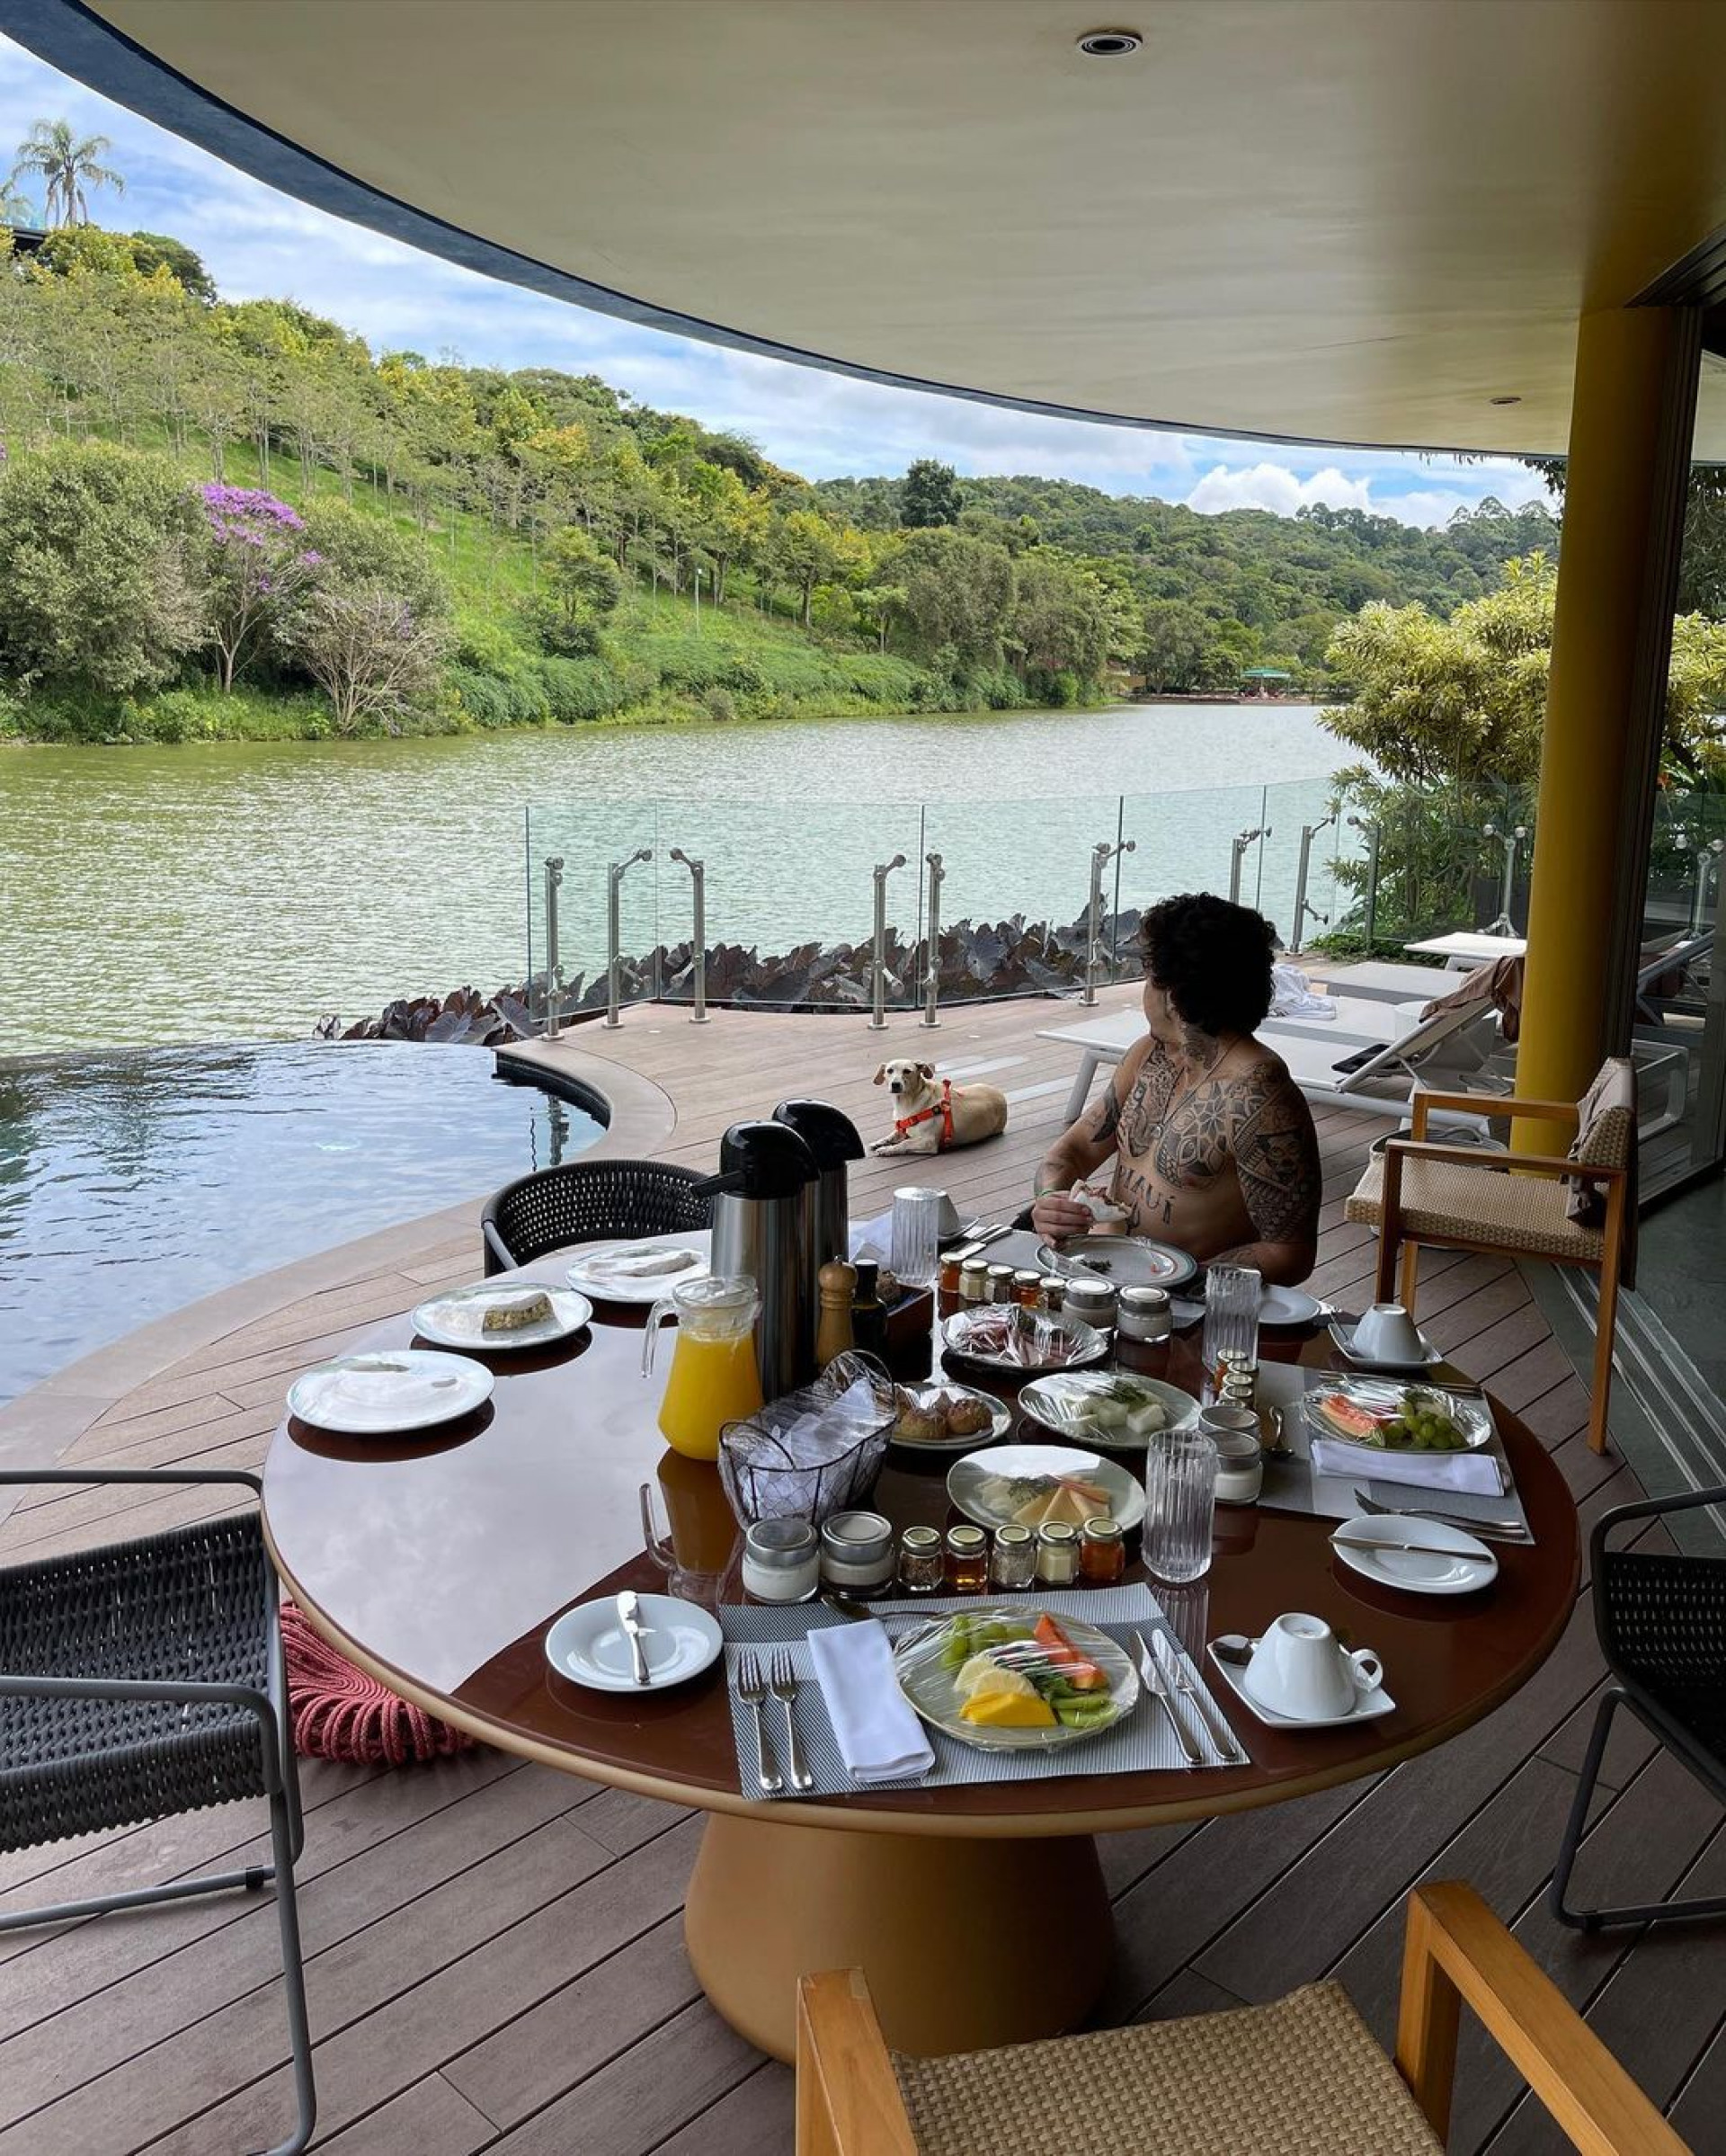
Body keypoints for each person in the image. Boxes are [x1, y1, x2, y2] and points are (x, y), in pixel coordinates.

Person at [1031, 893, 1321, 1285]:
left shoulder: (1258, 1094)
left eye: (1148, 976)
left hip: (1184, 1308)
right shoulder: (1147, 1055)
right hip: (1094, 1275)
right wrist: (1051, 1201)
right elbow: (1072, 1152)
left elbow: (1291, 1253)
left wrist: (1183, 1281)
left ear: (1173, 994)